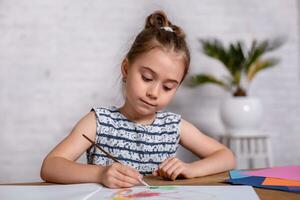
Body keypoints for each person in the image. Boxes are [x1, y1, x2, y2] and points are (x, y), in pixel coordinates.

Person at [40, 10, 236, 189]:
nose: (154, 92)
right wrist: (100, 173)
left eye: (167, 87)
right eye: (147, 78)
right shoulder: (98, 122)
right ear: (126, 69)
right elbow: (51, 166)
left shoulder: (173, 127)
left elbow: (227, 157)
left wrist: (191, 169)